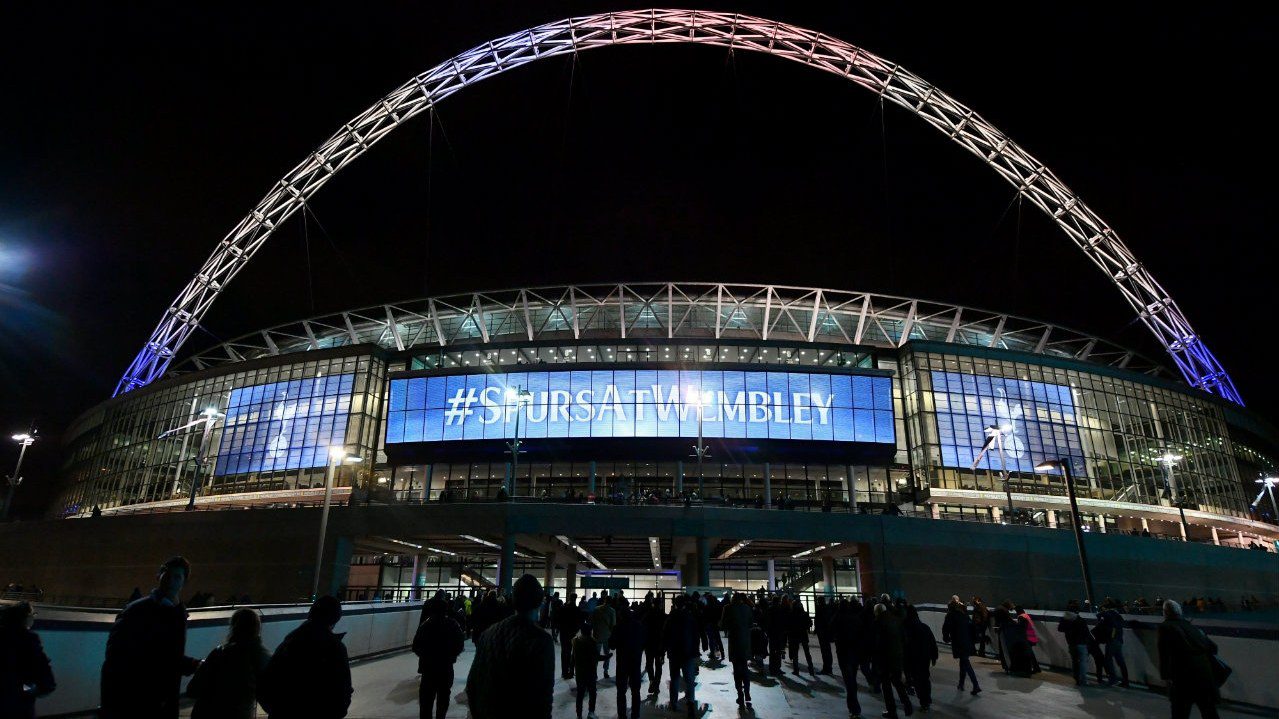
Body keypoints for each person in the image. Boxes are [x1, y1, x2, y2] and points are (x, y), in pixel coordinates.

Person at [100, 556, 201, 719]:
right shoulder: (138, 611)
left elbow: (163, 655)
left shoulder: (174, 613)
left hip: (158, 699)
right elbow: (119, 657)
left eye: (176, 577)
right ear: (159, 576)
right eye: (168, 575)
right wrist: (190, 664)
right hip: (139, 700)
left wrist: (190, 664)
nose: (171, 581)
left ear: (184, 582)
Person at [465, 574, 554, 719]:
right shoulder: (540, 639)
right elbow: (543, 696)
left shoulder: (489, 633)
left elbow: (472, 683)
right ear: (540, 601)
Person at [258, 596, 353, 719]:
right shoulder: (336, 649)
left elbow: (265, 684)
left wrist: (276, 710)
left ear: (311, 613)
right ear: (335, 619)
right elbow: (342, 695)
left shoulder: (290, 642)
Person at [187, 608, 271, 719]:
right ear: (258, 628)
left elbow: (192, 690)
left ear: (233, 627)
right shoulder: (263, 657)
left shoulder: (219, 653)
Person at [1157, 600, 1221, 719]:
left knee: (1180, 712)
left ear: (1165, 612)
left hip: (1183, 677)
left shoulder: (1165, 627)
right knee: (1209, 711)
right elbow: (1213, 648)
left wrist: (1165, 676)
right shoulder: (1191, 626)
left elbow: (1164, 654)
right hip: (1204, 675)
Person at [413, 593, 465, 719]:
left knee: (426, 699)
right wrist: (451, 656)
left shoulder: (425, 625)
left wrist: (425, 656)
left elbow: (416, 646)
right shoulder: (452, 624)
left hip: (428, 668)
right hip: (446, 667)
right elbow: (460, 644)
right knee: (443, 696)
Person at [0, 602, 55, 719]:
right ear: (26, 618)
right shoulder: (29, 639)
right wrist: (31, 688)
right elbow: (43, 672)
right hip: (18, 703)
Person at [873, 602, 913, 718]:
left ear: (877, 612)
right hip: (897, 657)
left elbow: (876, 643)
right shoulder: (896, 620)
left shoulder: (877, 623)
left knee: (886, 686)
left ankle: (892, 711)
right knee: (898, 682)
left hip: (884, 659)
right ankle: (907, 705)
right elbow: (904, 639)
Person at [663, 595, 700, 718]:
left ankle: (673, 703)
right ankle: (690, 704)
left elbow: (665, 635)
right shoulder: (690, 617)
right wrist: (695, 652)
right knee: (689, 680)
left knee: (674, 678)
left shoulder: (670, 618)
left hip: (674, 653)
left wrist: (663, 650)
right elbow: (695, 636)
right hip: (687, 653)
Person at [609, 597, 645, 719]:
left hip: (622, 662)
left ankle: (622, 715)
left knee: (621, 691)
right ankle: (635, 714)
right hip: (635, 662)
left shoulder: (618, 627)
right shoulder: (639, 626)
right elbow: (644, 642)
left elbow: (612, 645)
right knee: (635, 691)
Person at [830, 598, 866, 719]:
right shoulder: (855, 618)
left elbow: (830, 631)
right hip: (854, 653)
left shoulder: (838, 618)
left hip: (843, 653)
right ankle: (854, 707)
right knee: (852, 679)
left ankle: (854, 708)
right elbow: (862, 634)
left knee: (849, 681)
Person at [719, 592, 755, 707]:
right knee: (744, 667)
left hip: (734, 641)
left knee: (736, 669)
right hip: (745, 642)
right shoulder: (747, 608)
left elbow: (722, 625)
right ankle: (747, 692)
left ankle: (740, 694)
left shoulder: (727, 608)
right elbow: (751, 624)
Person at [941, 598, 980, 695]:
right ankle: (961, 684)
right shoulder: (964, 614)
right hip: (968, 641)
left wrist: (946, 638)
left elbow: (946, 629)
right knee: (963, 662)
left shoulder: (950, 615)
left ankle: (976, 685)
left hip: (959, 643)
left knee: (966, 663)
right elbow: (972, 626)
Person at [903, 605, 938, 711]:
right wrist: (934, 656)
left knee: (917, 680)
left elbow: (904, 646)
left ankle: (923, 701)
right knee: (925, 678)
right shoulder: (924, 627)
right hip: (925, 658)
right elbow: (932, 642)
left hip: (912, 659)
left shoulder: (906, 628)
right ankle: (927, 699)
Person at [1057, 600, 1093, 686]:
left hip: (1071, 644)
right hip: (1081, 644)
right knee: (1083, 662)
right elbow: (1086, 633)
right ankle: (1083, 680)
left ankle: (1077, 679)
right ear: (1077, 611)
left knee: (1075, 661)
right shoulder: (1080, 620)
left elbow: (1060, 629)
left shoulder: (1065, 619)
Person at [1097, 597, 1130, 687]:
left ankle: (1113, 679)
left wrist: (1103, 611)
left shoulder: (1108, 614)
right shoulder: (1117, 615)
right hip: (1119, 640)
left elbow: (1099, 616)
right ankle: (1125, 681)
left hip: (1111, 640)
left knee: (1108, 660)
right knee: (1120, 661)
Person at [572, 625, 600, 719]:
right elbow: (597, 657)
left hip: (580, 672)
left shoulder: (576, 641)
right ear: (590, 632)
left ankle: (579, 715)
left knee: (580, 694)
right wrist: (608, 656)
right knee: (592, 693)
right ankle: (591, 712)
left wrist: (571, 669)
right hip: (590, 672)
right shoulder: (592, 642)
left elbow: (573, 657)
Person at [641, 595, 667, 695]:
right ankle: (656, 684)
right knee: (658, 665)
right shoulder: (663, 616)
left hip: (649, 643)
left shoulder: (648, 615)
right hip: (660, 644)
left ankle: (652, 681)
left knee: (649, 664)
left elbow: (643, 628)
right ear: (660, 605)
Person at [557, 592, 583, 679]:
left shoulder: (563, 608)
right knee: (572, 652)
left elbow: (558, 620)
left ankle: (564, 672)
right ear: (576, 598)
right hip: (572, 633)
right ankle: (570, 671)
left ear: (569, 597)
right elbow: (579, 622)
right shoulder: (577, 609)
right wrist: (576, 630)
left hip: (563, 633)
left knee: (564, 652)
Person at [590, 593, 617, 678]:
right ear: (611, 602)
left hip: (597, 635)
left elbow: (592, 621)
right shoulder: (612, 611)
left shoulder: (596, 609)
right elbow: (613, 625)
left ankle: (594, 672)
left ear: (604, 600)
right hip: (607, 636)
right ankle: (605, 671)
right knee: (607, 654)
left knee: (596, 655)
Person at [788, 597, 816, 675]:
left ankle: (796, 670)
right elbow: (810, 624)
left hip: (794, 635)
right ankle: (811, 669)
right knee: (807, 653)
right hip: (803, 634)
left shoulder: (791, 614)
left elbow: (789, 625)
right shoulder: (805, 614)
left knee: (795, 653)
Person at [1017, 605, 1042, 674]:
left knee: (1028, 654)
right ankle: (1036, 668)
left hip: (1027, 638)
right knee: (1030, 654)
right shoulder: (1026, 615)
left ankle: (1032, 668)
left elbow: (1021, 628)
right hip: (1032, 637)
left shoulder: (1021, 617)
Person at [815, 595, 835, 675]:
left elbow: (818, 620)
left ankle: (826, 668)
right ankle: (829, 668)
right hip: (826, 632)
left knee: (824, 651)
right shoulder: (827, 608)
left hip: (822, 632)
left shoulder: (819, 608)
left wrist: (816, 629)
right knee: (827, 650)